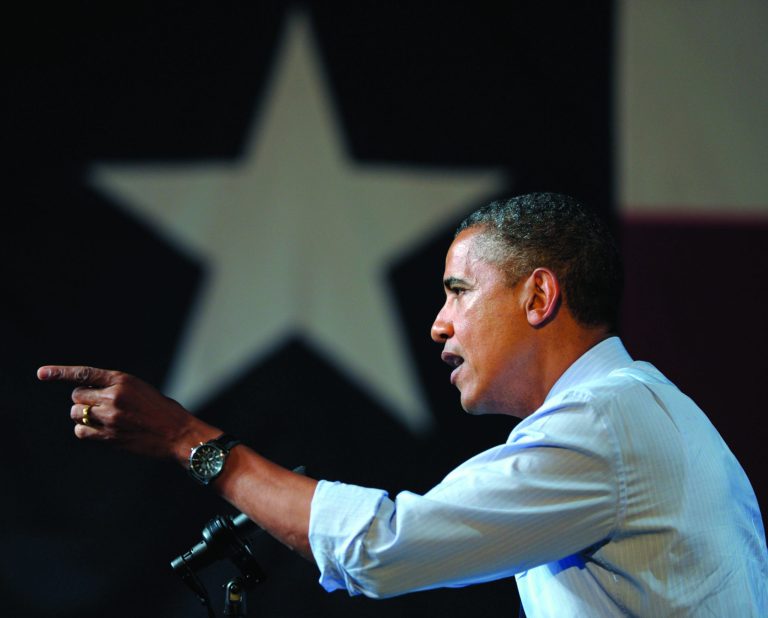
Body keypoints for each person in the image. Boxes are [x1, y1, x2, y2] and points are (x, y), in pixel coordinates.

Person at [39, 193, 767, 616]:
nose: (438, 324)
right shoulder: (630, 415)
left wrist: (188, 439)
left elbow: (384, 547)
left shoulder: (608, 424)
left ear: (540, 295)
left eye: (457, 291)